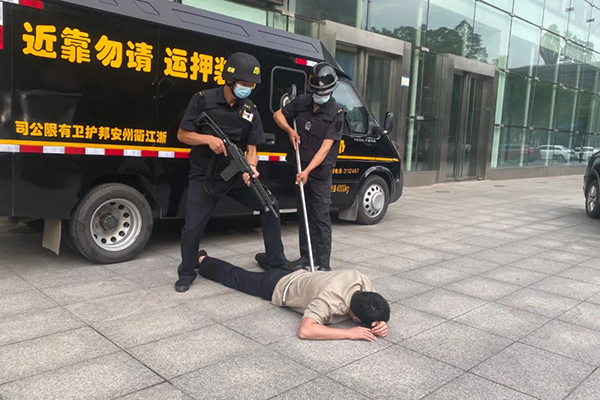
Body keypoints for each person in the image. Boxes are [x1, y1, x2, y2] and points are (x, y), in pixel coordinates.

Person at [175, 52, 290, 293]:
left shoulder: (250, 109)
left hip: (235, 174)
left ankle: (276, 262)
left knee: (270, 205)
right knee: (193, 226)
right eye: (244, 83)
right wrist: (207, 139)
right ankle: (186, 271)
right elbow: (182, 135)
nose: (247, 88)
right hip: (204, 175)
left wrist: (252, 169)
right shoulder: (203, 100)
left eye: (251, 85)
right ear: (229, 80)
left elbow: (252, 148)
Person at [197, 250, 390, 341]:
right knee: (237, 277)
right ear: (355, 318)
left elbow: (373, 304)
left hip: (301, 275)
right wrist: (349, 333)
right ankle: (203, 260)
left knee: (275, 266)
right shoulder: (328, 301)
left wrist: (381, 322)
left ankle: (262, 258)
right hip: (277, 285)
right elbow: (306, 330)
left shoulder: (360, 280)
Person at [270, 62, 345, 271]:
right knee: (303, 213)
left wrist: (308, 171)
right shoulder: (302, 101)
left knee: (320, 217)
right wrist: (290, 131)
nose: (320, 95)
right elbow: (278, 115)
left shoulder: (337, 112)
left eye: (324, 92)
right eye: (317, 92)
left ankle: (324, 263)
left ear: (331, 90)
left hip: (319, 173)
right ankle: (306, 257)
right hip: (300, 167)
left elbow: (325, 148)